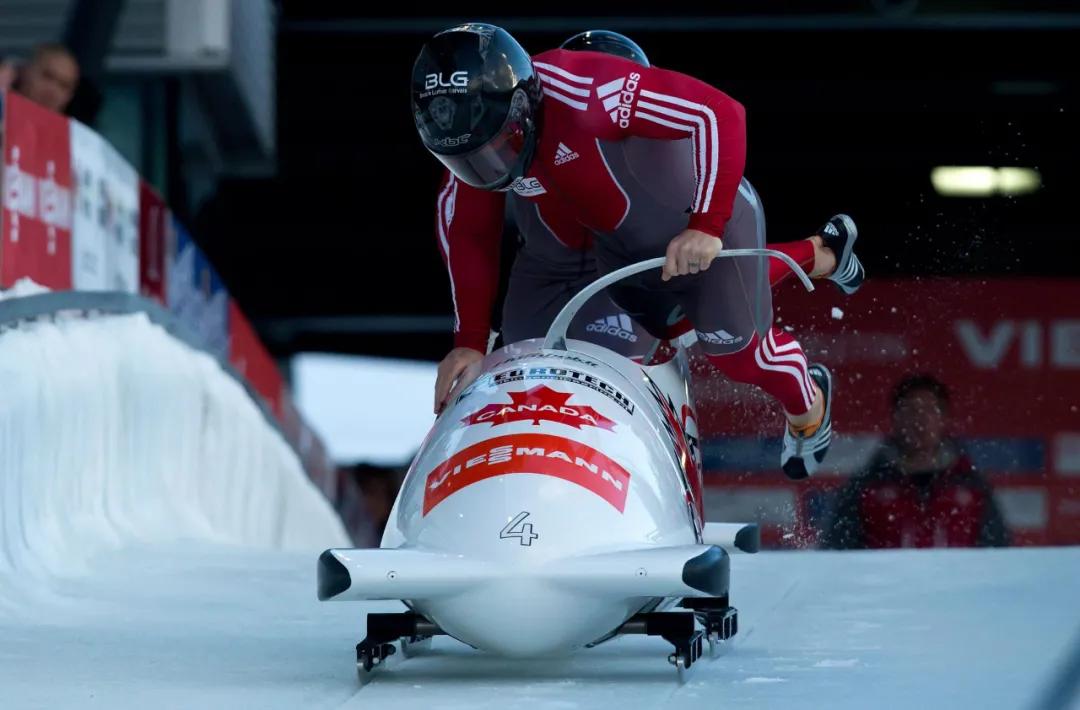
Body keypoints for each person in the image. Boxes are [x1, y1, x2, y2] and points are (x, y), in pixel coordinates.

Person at [413, 24, 864, 478]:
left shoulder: (593, 92)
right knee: (530, 371)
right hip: (598, 255)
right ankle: (822, 252)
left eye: (497, 150)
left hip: (686, 230)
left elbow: (717, 112)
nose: (490, 168)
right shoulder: (479, 132)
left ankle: (810, 403)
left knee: (737, 352)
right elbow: (467, 229)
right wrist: (470, 342)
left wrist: (706, 225)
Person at [822, 375, 1010, 549]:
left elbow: (997, 555)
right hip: (885, 585)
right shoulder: (865, 487)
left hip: (960, 585)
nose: (919, 420)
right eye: (910, 410)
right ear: (895, 418)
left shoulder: (972, 485)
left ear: (944, 419)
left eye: (929, 410)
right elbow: (839, 555)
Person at [0, 43, 80, 114]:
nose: (52, 91)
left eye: (64, 86)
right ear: (26, 70)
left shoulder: (73, 130)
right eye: (48, 76)